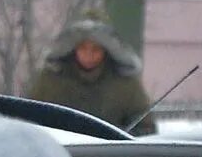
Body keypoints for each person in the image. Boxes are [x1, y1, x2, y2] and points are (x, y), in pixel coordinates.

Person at [25, 16, 157, 133]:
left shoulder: (125, 83)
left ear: (106, 51)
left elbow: (146, 128)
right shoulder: (51, 80)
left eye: (96, 49)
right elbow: (30, 121)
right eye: (83, 48)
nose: (89, 54)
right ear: (72, 49)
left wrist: (116, 136)